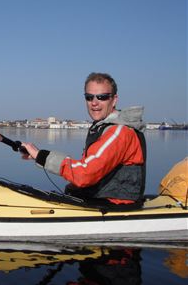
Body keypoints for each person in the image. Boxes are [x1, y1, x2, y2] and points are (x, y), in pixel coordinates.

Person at [21, 72, 146, 206]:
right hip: (99, 200)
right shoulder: (102, 128)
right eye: (89, 97)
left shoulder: (119, 133)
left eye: (102, 97)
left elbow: (85, 174)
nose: (94, 103)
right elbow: (88, 169)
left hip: (114, 205)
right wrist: (38, 157)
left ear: (114, 100)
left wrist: (41, 156)